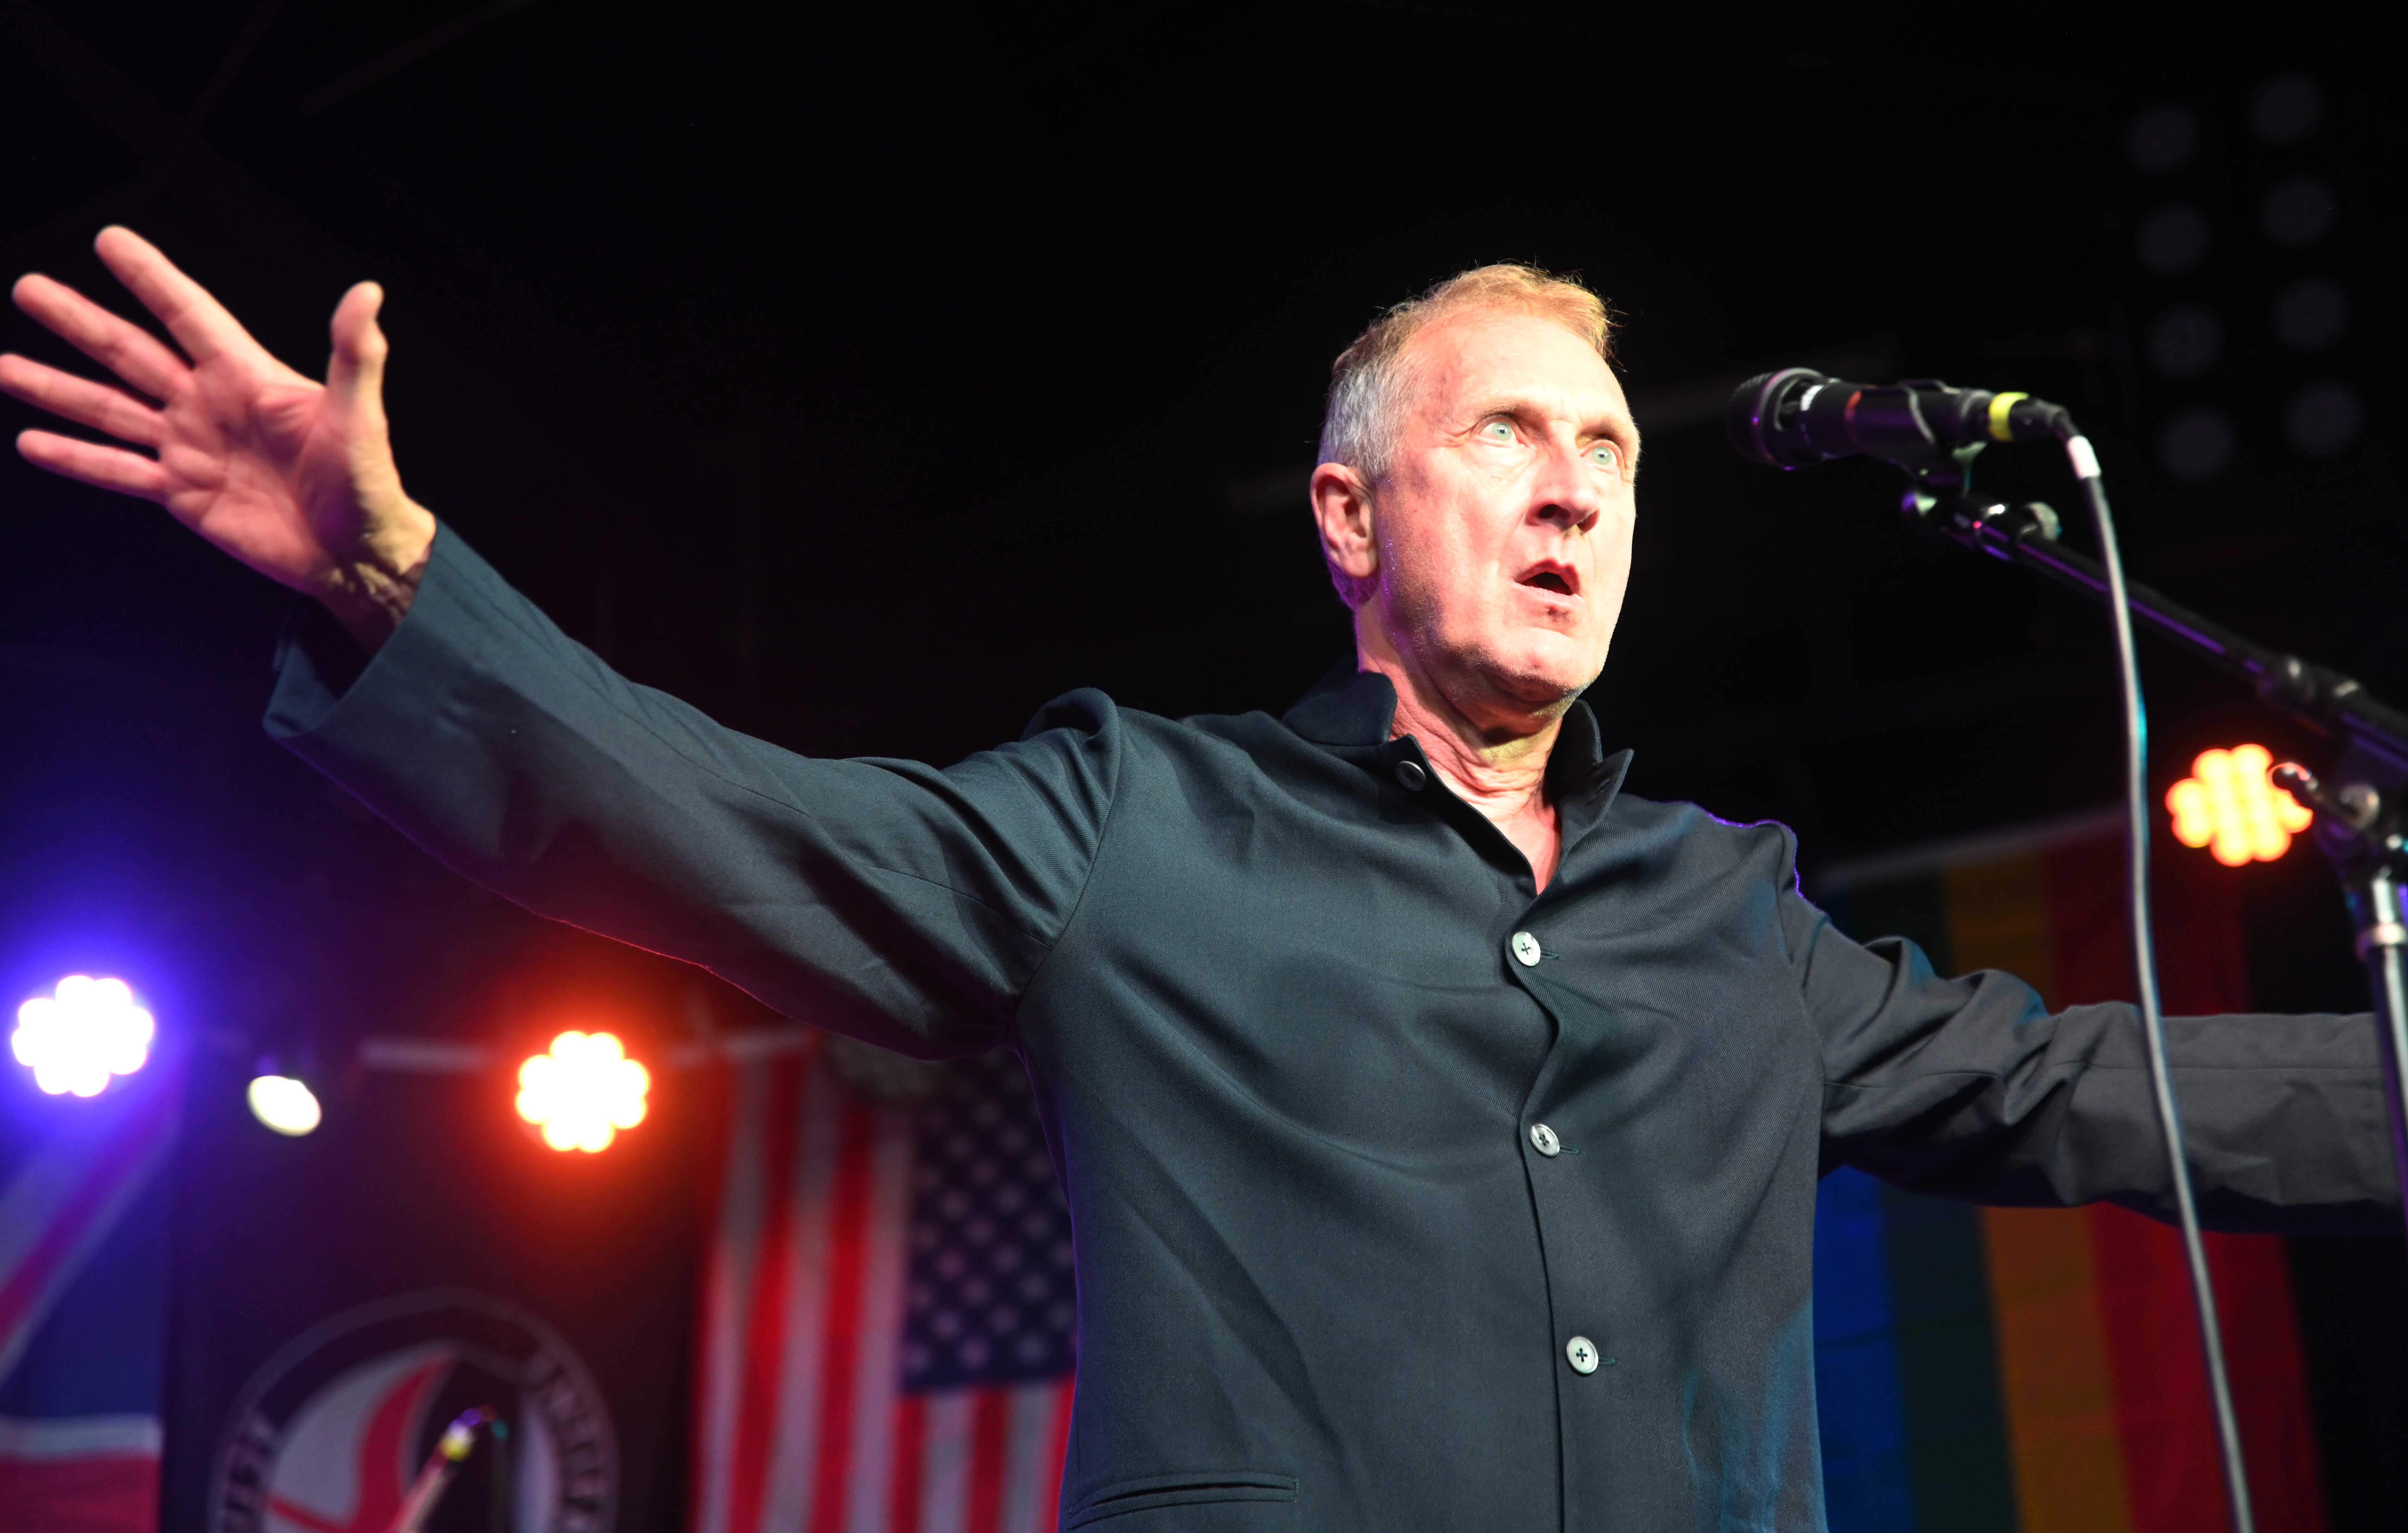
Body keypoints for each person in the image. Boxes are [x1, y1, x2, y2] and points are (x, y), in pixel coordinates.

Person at [3, 229, 2393, 1530]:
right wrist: (394, 575)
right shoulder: (1139, 821)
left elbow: (2095, 1089)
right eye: (1508, 435)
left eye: (1608, 454)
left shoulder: (1731, 913)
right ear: (1351, 517)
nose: (1578, 487)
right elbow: (741, 829)